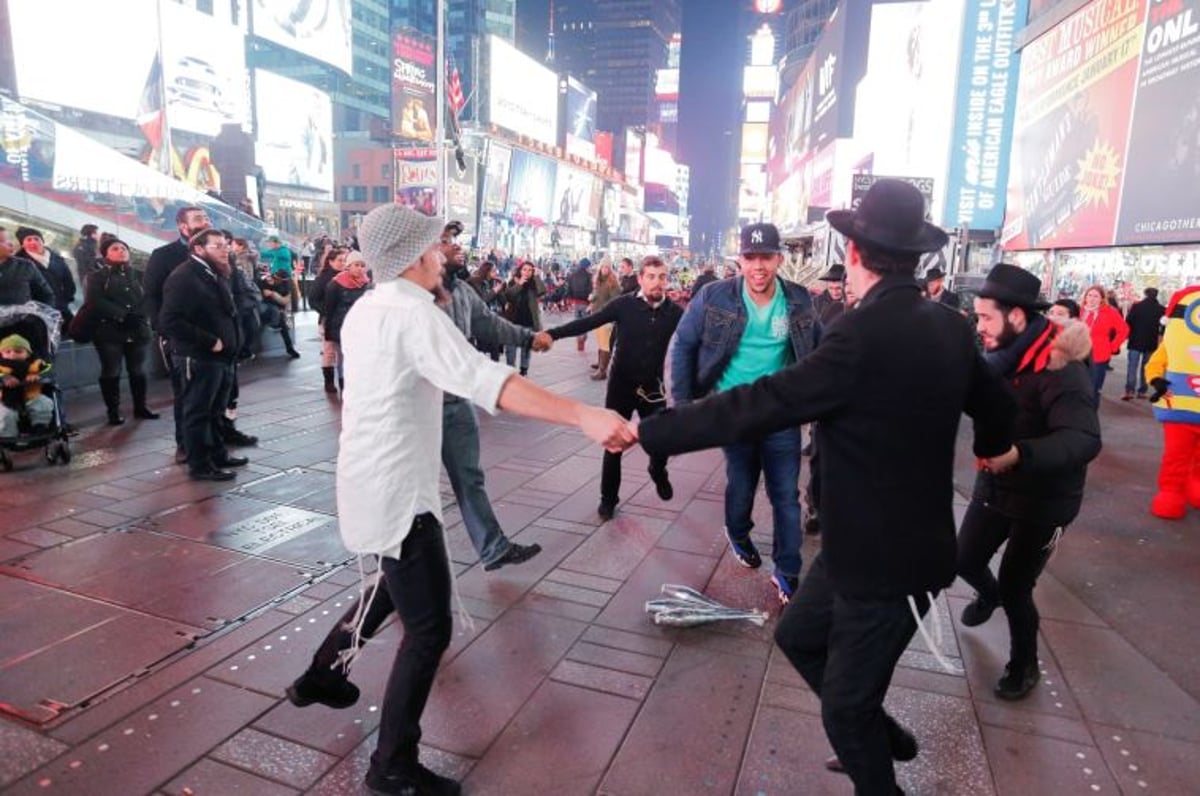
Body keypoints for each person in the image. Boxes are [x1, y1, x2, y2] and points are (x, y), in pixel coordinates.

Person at [635, 179, 1015, 796]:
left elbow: (765, 401)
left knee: (841, 708)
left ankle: (876, 770)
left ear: (856, 252)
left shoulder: (859, 335)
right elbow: (997, 406)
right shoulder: (949, 327)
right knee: (798, 637)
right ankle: (880, 732)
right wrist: (995, 449)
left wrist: (655, 432)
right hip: (862, 547)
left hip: (888, 564)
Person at [287, 204, 633, 796]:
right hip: (398, 496)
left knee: (389, 594)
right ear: (414, 255)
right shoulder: (410, 314)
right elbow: (486, 379)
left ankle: (320, 675)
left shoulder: (371, 307)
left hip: (370, 482)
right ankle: (391, 765)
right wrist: (582, 413)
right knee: (429, 631)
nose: (446, 254)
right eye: (437, 245)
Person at [958, 264, 1101, 701]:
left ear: (1016, 317)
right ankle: (989, 595)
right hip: (996, 486)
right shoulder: (997, 360)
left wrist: (1020, 454)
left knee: (1018, 587)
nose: (978, 326)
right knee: (964, 560)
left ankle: (1025, 666)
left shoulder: (1062, 368)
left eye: (986, 318)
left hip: (1046, 501)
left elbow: (1083, 439)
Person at [669, 222, 819, 604]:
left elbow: (819, 352)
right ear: (739, 259)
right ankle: (737, 531)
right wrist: (682, 408)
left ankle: (787, 569)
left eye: (766, 257)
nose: (758, 266)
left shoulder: (800, 300)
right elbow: (684, 345)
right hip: (732, 412)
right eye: (750, 257)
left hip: (780, 414)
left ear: (779, 259)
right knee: (742, 483)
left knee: (785, 494)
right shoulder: (713, 296)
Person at [546, 256, 682, 520]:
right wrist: (553, 334)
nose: (657, 282)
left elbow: (697, 339)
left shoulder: (674, 313)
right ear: (641, 278)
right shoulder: (624, 305)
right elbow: (589, 322)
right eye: (651, 276)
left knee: (660, 440)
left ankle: (657, 470)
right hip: (621, 384)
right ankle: (608, 499)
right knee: (613, 444)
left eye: (662, 277)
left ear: (667, 280)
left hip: (653, 388)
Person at [159, 230, 247, 482]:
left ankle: (218, 454)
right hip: (199, 356)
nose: (225, 250)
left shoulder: (213, 272)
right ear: (198, 249)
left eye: (225, 245)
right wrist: (211, 341)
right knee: (198, 411)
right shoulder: (184, 276)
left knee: (216, 409)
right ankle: (200, 464)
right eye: (217, 246)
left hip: (221, 357)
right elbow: (169, 321)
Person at [86, 238, 157, 425]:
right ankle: (113, 411)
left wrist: (139, 316)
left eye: (124, 248)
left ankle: (141, 407)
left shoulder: (140, 275)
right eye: (115, 248)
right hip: (109, 331)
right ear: (106, 254)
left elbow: (150, 297)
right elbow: (96, 301)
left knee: (138, 370)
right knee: (111, 370)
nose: (121, 251)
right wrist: (122, 315)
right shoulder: (97, 277)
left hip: (138, 329)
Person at [1144, 285, 1200, 520]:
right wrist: (1157, 381)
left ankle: (1193, 486)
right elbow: (1154, 365)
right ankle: (1171, 491)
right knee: (1176, 455)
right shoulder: (1171, 344)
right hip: (1179, 410)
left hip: (1181, 407)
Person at [321, 252, 371, 390]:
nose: (360, 268)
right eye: (356, 265)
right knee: (342, 357)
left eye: (362, 265)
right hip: (340, 326)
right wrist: (328, 331)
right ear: (349, 266)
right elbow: (329, 309)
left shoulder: (366, 283)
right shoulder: (335, 284)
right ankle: (343, 386)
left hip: (361, 327)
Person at [14, 227, 77, 325]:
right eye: (28, 240)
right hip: (36, 310)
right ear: (22, 244)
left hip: (61, 306)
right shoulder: (18, 262)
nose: (33, 242)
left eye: (36, 239)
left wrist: (67, 299)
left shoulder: (57, 259)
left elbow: (68, 281)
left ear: (42, 241)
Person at [1080, 283, 1129, 402]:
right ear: (1085, 297)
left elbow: (1124, 330)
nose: (1091, 298)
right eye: (1089, 295)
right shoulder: (1079, 310)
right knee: (1077, 388)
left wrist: (1113, 346)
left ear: (1102, 299)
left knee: (1093, 389)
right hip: (1078, 355)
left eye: (1095, 296)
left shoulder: (1109, 311)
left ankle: (1090, 417)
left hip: (1099, 356)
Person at [309, 244, 348, 391]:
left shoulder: (347, 277)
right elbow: (313, 299)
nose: (342, 263)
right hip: (328, 319)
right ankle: (329, 382)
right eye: (339, 260)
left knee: (343, 350)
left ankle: (343, 379)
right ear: (331, 261)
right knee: (329, 350)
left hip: (345, 319)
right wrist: (326, 312)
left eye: (344, 260)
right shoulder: (323, 278)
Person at [0, 334, 55, 437]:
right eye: (8, 352)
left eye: (18, 351)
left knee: (44, 403)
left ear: (28, 354)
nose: (13, 355)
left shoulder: (34, 364)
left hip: (31, 396)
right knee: (5, 415)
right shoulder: (1, 367)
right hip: (6, 399)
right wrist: (4, 377)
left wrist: (37, 375)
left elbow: (48, 370)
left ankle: (40, 427)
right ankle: (8, 436)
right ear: (1, 354)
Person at [502, 261, 545, 376]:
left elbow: (542, 291)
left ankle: (523, 370)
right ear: (520, 270)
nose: (527, 272)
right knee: (511, 348)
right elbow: (508, 296)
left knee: (526, 348)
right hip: (513, 321)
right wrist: (519, 284)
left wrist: (536, 277)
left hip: (529, 321)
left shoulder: (534, 284)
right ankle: (510, 370)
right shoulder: (512, 282)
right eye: (525, 269)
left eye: (530, 270)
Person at [1123, 287, 1164, 400]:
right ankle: (1142, 391)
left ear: (1145, 294)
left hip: (1135, 340)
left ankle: (1129, 391)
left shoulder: (1137, 306)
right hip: (1151, 342)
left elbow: (1128, 321)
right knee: (1146, 368)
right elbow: (1164, 326)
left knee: (1132, 367)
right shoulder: (1161, 309)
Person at [0, 227, 55, 306]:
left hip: (20, 317)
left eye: (8, 239)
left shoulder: (26, 266)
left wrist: (35, 317)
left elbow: (47, 296)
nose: (10, 243)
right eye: (2, 241)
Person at [589, 258, 622, 380]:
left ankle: (602, 371)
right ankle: (600, 363)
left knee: (605, 343)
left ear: (610, 269)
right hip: (596, 315)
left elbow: (614, 300)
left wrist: (603, 309)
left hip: (606, 317)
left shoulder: (613, 283)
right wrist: (592, 298)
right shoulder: (598, 281)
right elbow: (597, 296)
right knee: (600, 341)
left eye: (607, 267)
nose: (605, 269)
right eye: (603, 267)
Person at [256, 269, 301, 359]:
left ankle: (290, 348)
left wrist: (273, 294)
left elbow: (285, 301)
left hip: (277, 309)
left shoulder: (286, 285)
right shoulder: (266, 281)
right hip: (265, 307)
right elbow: (263, 294)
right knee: (273, 313)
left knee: (283, 326)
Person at [565, 257, 593, 351]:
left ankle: (579, 339)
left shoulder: (572, 275)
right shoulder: (589, 276)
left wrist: (570, 300)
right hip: (585, 302)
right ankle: (582, 338)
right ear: (587, 266)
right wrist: (590, 302)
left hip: (575, 302)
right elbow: (590, 290)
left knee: (577, 322)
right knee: (585, 323)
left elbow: (568, 289)